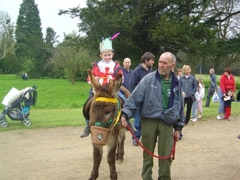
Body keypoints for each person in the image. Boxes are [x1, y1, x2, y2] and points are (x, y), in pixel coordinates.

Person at [121, 52, 184, 180]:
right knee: (147, 155)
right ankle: (146, 178)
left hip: (167, 123)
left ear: (172, 66)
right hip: (149, 121)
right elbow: (134, 99)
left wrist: (178, 128)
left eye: (164, 63)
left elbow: (180, 107)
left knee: (166, 156)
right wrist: (125, 114)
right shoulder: (148, 79)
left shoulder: (176, 83)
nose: (160, 65)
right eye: (159, 62)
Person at [80, 34, 124, 138]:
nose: (107, 57)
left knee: (124, 100)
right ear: (101, 56)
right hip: (98, 90)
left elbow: (121, 77)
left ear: (112, 54)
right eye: (105, 55)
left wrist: (112, 80)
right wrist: (92, 82)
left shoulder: (116, 65)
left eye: (109, 55)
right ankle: (88, 125)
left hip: (112, 90)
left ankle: (126, 120)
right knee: (87, 105)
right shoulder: (97, 66)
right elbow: (91, 77)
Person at [129, 52, 155, 146]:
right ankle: (136, 138)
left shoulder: (151, 70)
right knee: (137, 121)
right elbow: (132, 86)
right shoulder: (137, 71)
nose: (153, 62)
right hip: (139, 101)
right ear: (145, 60)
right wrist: (138, 98)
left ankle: (146, 138)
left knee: (148, 121)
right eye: (151, 60)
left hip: (150, 100)